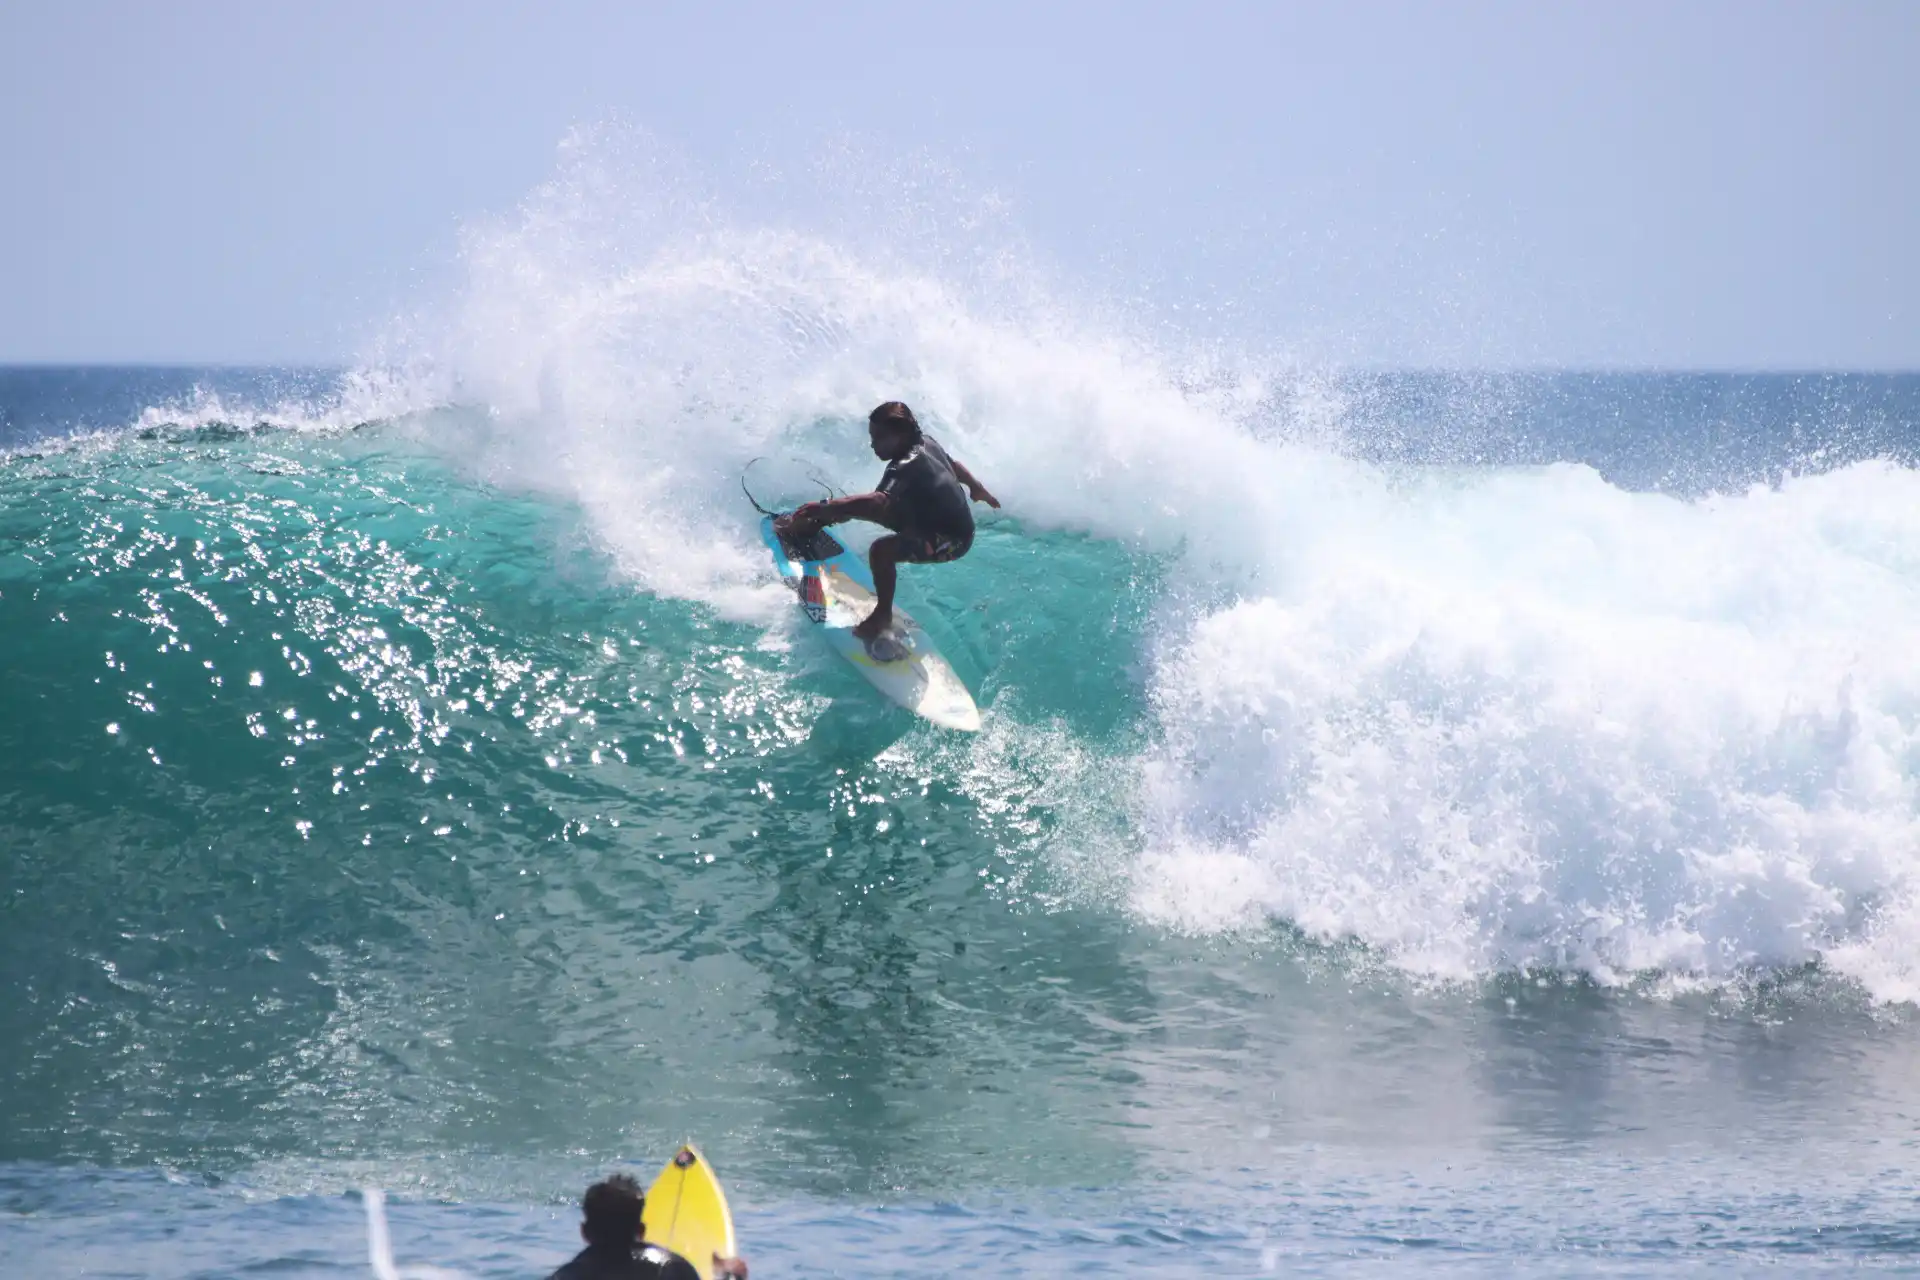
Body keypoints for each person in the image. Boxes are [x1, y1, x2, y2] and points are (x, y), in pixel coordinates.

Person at [775, 401, 1000, 642]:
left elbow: (877, 503)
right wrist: (977, 488)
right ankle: (814, 524)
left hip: (952, 540)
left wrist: (828, 507)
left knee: (881, 550)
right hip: (928, 518)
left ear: (902, 435)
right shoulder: (926, 441)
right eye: (872, 436)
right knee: (860, 505)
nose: (873, 444)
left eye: (880, 437)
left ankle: (883, 615)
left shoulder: (904, 465)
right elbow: (953, 466)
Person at [548, 1174, 748, 1280]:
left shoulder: (564, 1276)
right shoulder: (673, 1270)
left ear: (585, 1232)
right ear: (641, 1231)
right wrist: (732, 1277)